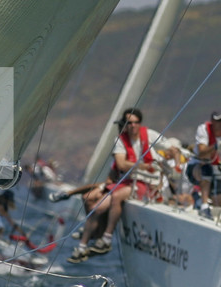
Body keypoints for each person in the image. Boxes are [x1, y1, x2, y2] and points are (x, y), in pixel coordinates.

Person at [64, 108, 163, 262]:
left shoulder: (148, 136)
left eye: (135, 123)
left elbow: (168, 147)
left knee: (110, 197)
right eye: (128, 123)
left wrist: (171, 155)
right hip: (124, 182)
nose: (132, 126)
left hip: (142, 183)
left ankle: (104, 237)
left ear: (139, 123)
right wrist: (141, 166)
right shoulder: (120, 142)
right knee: (94, 205)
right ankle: (84, 244)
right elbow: (119, 166)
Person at [191, 110, 221, 214]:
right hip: (197, 166)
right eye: (219, 120)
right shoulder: (204, 129)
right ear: (212, 121)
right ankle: (204, 205)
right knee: (207, 170)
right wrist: (215, 146)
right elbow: (201, 153)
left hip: (216, 170)